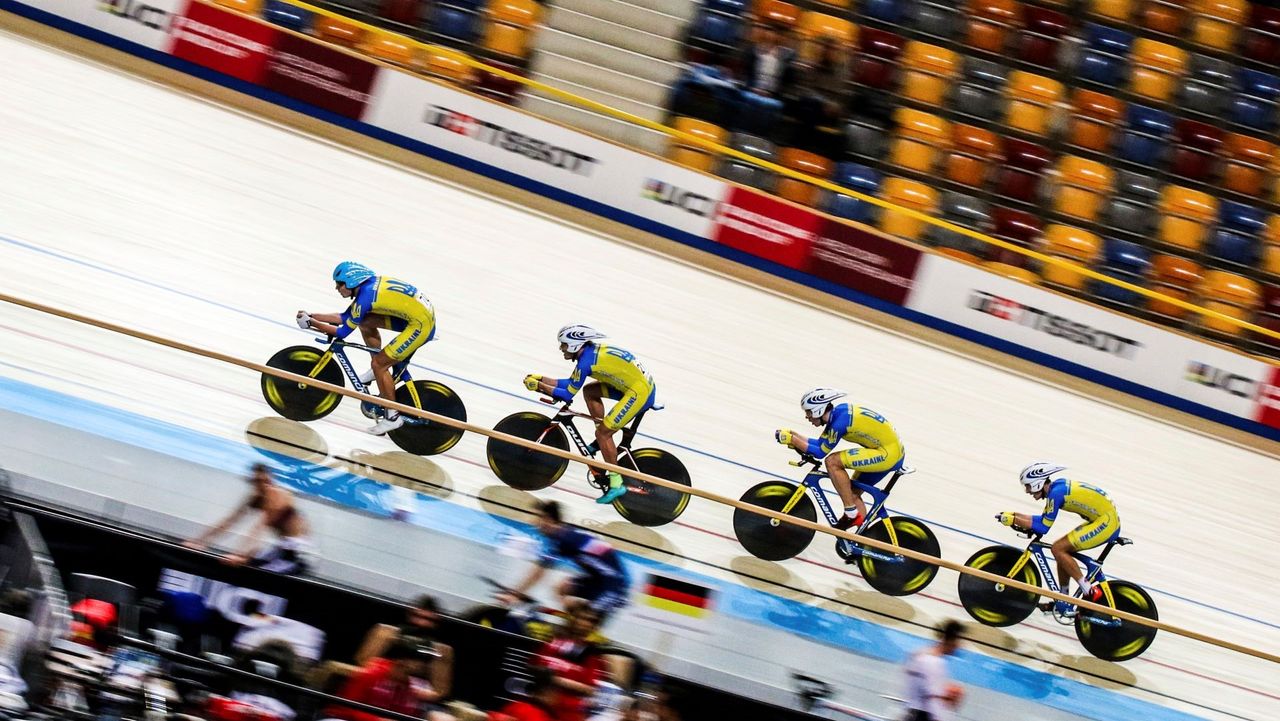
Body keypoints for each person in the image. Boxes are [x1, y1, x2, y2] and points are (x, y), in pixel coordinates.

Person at [297, 261, 437, 435]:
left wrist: (312, 323)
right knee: (364, 322)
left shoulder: (365, 298)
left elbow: (342, 332)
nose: (336, 288)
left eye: (339, 284)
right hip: (416, 315)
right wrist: (313, 315)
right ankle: (378, 370)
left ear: (351, 281)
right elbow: (346, 316)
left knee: (380, 364)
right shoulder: (367, 290)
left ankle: (392, 417)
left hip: (420, 325)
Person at [524, 326, 657, 503]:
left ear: (574, 345)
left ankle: (617, 484)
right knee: (589, 391)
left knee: (603, 432)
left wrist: (539, 386)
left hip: (640, 393)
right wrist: (542, 378)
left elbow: (567, 394)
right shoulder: (588, 354)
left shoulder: (585, 362)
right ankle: (601, 443)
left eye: (563, 345)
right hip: (635, 385)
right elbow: (573, 382)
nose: (561, 348)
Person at [774, 389, 905, 547]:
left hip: (886, 454)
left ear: (819, 409)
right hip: (889, 451)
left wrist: (794, 440)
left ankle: (851, 513)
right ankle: (858, 542)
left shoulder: (839, 422)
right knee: (852, 494)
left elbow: (821, 452)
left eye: (808, 412)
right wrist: (795, 436)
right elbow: (820, 443)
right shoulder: (838, 415)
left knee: (833, 461)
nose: (807, 417)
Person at [997, 462, 1118, 613]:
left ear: (1037, 482)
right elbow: (1042, 519)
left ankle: (1089, 590)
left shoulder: (1056, 493)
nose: (1027, 491)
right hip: (1103, 519)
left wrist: (1014, 520)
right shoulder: (1056, 488)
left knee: (1058, 548)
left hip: (1106, 523)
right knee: (1061, 550)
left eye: (1028, 486)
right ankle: (1064, 599)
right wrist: (1015, 515)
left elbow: (1043, 527)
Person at [505, 500, 630, 622]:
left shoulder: (563, 539)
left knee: (584, 621)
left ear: (547, 519)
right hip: (600, 580)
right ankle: (572, 622)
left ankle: (577, 628)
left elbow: (537, 574)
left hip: (613, 586)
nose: (532, 522)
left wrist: (515, 593)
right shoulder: (565, 532)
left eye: (536, 517)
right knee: (563, 587)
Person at [184, 463, 312, 575]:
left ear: (271, 481)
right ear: (253, 482)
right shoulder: (255, 498)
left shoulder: (279, 495)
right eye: (258, 482)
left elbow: (260, 527)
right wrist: (198, 542)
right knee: (250, 563)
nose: (263, 486)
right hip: (282, 549)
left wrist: (241, 556)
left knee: (254, 570)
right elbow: (229, 521)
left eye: (266, 482)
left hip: (300, 553)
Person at [353, 595, 453, 705]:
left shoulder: (441, 650)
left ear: (436, 621)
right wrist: (391, 672)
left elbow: (441, 691)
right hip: (378, 683)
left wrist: (413, 691)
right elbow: (362, 661)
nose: (421, 623)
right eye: (417, 616)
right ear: (409, 614)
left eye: (428, 619)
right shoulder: (385, 633)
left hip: (416, 697)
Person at [323, 639, 448, 721]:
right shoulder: (372, 673)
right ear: (401, 660)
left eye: (427, 661)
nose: (425, 665)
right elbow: (344, 708)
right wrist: (378, 720)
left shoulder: (414, 688)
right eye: (421, 660)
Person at [532, 606, 606, 721]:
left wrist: (555, 680)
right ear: (572, 618)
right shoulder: (551, 641)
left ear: (594, 627)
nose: (584, 623)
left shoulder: (592, 653)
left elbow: (590, 689)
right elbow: (532, 665)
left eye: (590, 620)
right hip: (536, 703)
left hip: (566, 711)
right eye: (581, 618)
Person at [901, 620, 964, 721]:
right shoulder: (935, 662)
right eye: (959, 641)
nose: (960, 646)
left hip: (912, 713)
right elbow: (933, 700)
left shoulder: (919, 655)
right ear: (951, 641)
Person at [490, 667, 560, 721]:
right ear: (546, 691)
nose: (557, 696)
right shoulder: (538, 716)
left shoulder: (514, 706)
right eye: (555, 690)